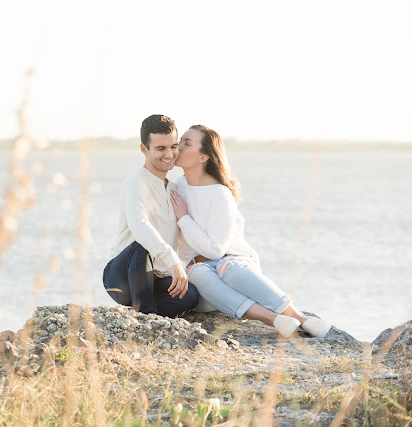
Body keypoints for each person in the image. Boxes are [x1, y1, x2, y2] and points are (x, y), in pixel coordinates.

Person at [169, 124, 331, 338]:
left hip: (235, 264)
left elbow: (216, 251)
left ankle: (299, 318)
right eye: (180, 141)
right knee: (197, 272)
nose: (178, 147)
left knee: (228, 268)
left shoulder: (219, 194)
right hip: (207, 284)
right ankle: (271, 318)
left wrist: (184, 219)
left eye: (187, 144)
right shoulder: (176, 187)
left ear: (203, 157)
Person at [103, 115, 199, 317]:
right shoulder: (136, 184)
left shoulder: (173, 188)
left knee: (190, 295)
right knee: (141, 244)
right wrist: (172, 260)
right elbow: (139, 225)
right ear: (143, 149)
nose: (169, 154)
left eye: (173, 146)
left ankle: (146, 312)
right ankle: (147, 317)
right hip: (122, 277)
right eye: (160, 148)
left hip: (155, 278)